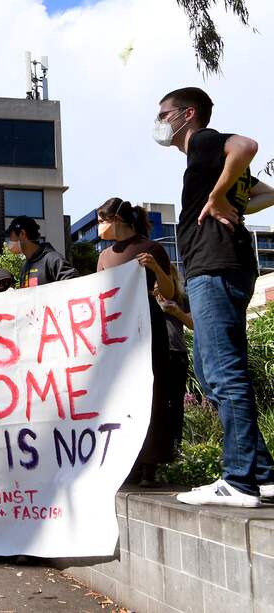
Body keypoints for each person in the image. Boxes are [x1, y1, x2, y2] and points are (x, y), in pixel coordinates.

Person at [155, 87, 274, 506]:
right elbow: (267, 194)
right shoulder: (209, 160)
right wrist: (230, 197)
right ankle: (261, 474)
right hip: (225, 266)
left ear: (187, 115)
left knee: (223, 372)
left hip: (215, 267)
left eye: (164, 113)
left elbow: (247, 145)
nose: (159, 122)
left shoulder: (205, 141)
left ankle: (239, 481)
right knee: (209, 370)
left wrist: (219, 196)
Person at [96, 197, 176, 487]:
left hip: (148, 329)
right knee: (121, 395)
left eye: (102, 221)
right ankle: (126, 462)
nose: (100, 227)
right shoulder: (104, 257)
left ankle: (150, 464)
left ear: (116, 220)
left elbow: (169, 291)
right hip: (118, 333)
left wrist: (155, 268)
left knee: (152, 393)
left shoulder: (151, 248)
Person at [156, 266, 193, 454]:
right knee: (157, 402)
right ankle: (158, 451)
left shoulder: (181, 298)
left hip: (177, 353)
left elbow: (194, 324)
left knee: (176, 403)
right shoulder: (144, 297)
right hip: (154, 355)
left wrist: (176, 312)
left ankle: (174, 448)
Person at [6, 216, 78, 288]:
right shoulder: (25, 266)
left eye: (10, 237)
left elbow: (74, 285)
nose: (8, 242)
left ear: (22, 234)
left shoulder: (52, 259)